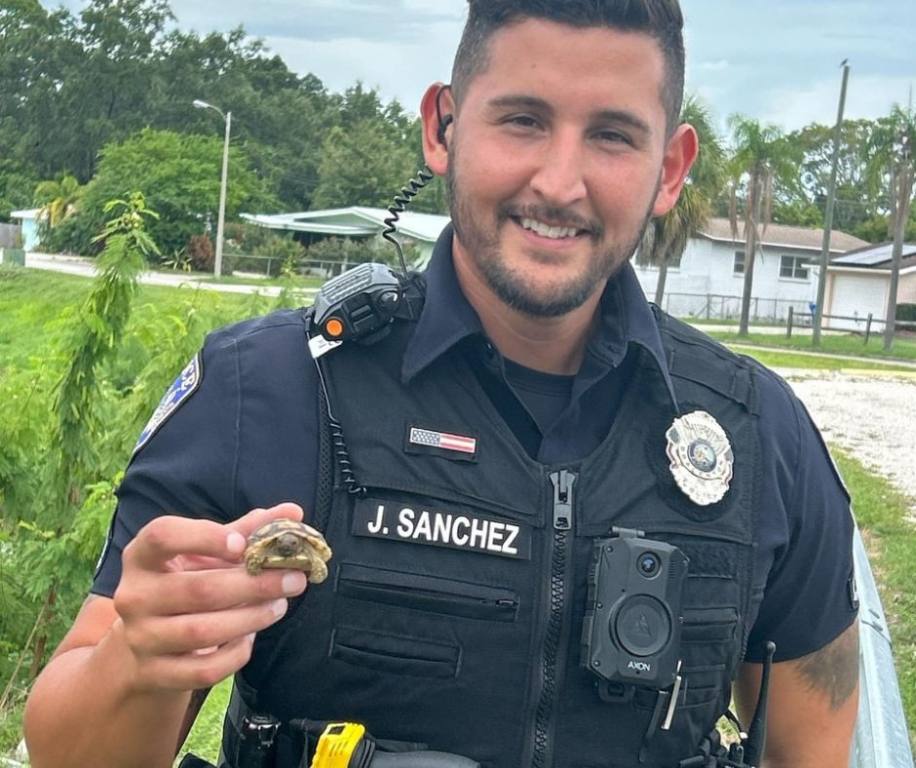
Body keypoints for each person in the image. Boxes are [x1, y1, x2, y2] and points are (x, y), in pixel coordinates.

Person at [24, 2, 860, 767]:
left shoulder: (758, 438)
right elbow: (67, 751)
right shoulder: (268, 393)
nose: (559, 183)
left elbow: (811, 749)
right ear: (443, 127)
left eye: (612, 135)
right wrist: (139, 659)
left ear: (670, 167)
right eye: (523, 120)